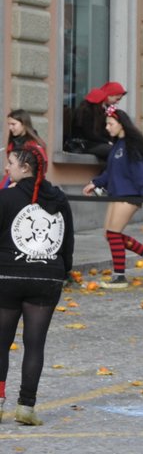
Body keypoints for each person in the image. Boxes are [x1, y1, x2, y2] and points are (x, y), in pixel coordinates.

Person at [0, 144, 73, 426]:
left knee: (1, 342)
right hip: (47, 278)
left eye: (10, 163)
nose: (7, 168)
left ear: (25, 168)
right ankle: (26, 407)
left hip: (8, 275)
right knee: (34, 344)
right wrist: (63, 271)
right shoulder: (59, 199)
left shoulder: (5, 198)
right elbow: (67, 242)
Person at [82, 107, 143, 288]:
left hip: (130, 195)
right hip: (117, 194)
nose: (107, 128)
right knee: (110, 234)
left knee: (113, 234)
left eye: (110, 124)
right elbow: (110, 172)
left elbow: (140, 172)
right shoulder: (117, 146)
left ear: (121, 124)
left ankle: (120, 277)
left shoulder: (132, 145)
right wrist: (95, 183)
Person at [65, 87, 111, 158]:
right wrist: (107, 141)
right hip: (84, 145)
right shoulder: (86, 113)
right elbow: (89, 135)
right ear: (99, 103)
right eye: (103, 103)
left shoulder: (91, 112)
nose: (104, 106)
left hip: (90, 144)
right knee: (113, 150)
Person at [4, 111, 47, 187]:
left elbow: (41, 168)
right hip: (10, 180)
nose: (10, 128)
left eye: (13, 124)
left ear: (24, 124)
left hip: (28, 186)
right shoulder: (13, 142)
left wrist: (20, 185)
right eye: (9, 124)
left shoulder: (35, 145)